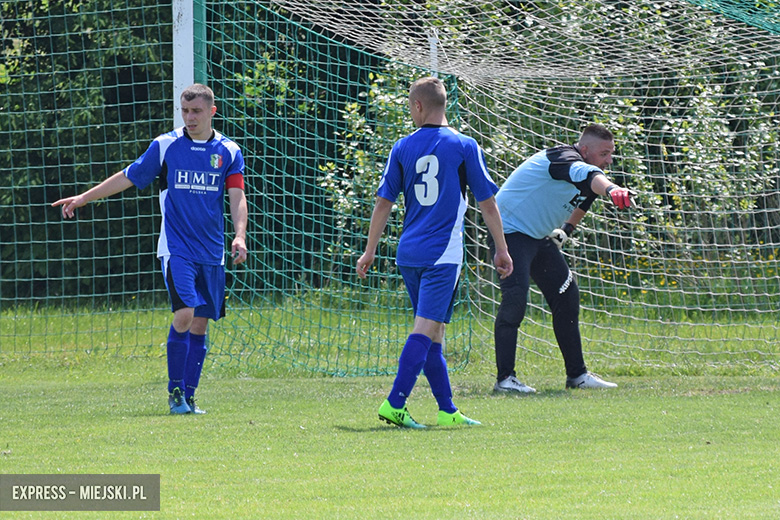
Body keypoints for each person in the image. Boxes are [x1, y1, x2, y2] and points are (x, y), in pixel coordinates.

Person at [53, 84, 248, 415]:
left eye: (196, 111)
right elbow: (128, 176)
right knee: (185, 313)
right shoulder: (166, 146)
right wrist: (84, 197)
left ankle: (189, 396)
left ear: (211, 111)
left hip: (212, 251)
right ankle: (174, 393)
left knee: (201, 323)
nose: (189, 117)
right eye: (185, 111)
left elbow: (237, 197)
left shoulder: (228, 151)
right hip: (176, 248)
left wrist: (240, 235)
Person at [356, 76, 513, 428]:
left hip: (408, 253)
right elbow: (487, 204)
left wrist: (369, 251)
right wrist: (501, 249)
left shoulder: (402, 147)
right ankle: (395, 403)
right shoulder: (463, 145)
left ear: (417, 106)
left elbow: (383, 203)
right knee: (426, 329)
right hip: (443, 254)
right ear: (445, 105)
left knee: (434, 333)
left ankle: (447, 411)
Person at [491, 123, 633, 393]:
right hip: (509, 232)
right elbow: (589, 175)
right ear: (584, 149)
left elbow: (584, 200)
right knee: (516, 300)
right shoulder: (563, 157)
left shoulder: (592, 174)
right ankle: (505, 380)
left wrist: (566, 230)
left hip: (537, 236)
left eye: (611, 153)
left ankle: (577, 376)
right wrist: (612, 189)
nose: (609, 160)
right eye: (604, 153)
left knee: (566, 296)